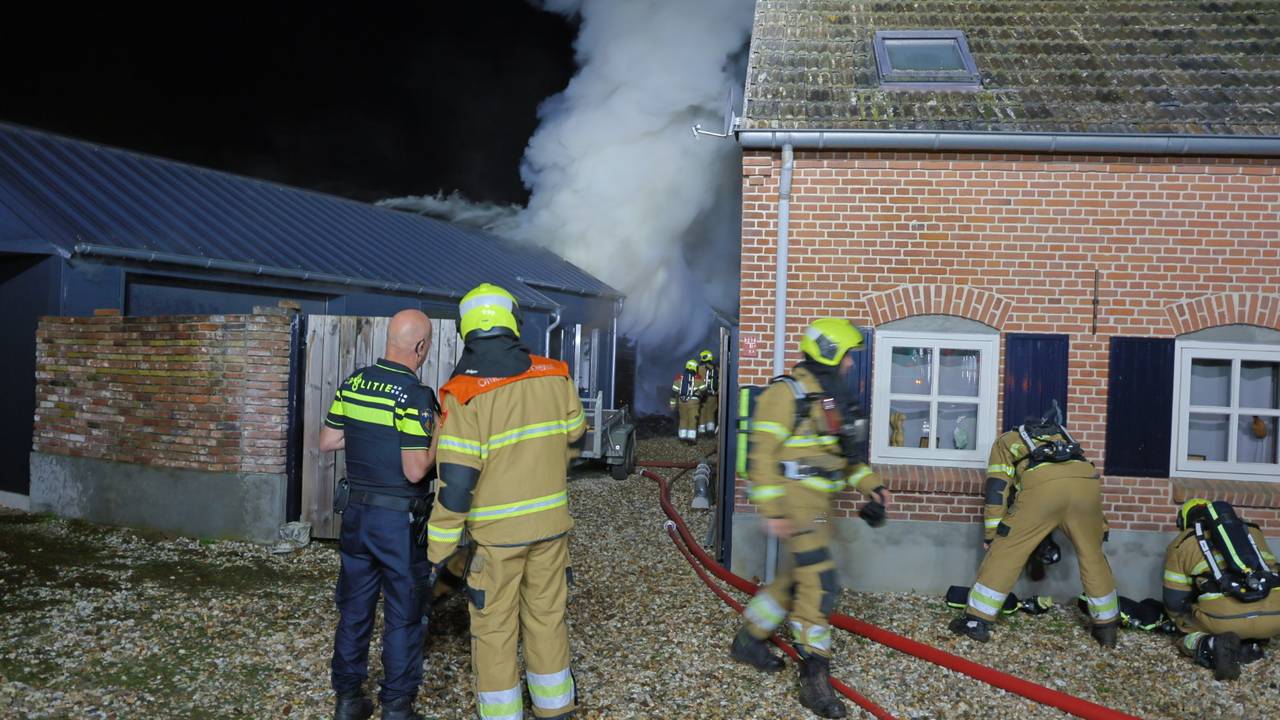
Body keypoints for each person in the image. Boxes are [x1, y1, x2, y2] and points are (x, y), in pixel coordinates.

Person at [425, 283, 585, 720]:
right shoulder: (555, 374)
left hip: (496, 540)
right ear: (513, 322)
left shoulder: (464, 395)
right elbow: (575, 434)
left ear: (467, 331)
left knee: (495, 629)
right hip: (552, 528)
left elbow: (455, 486)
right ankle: (556, 708)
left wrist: (437, 552)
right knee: (547, 617)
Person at [732, 318, 890, 720]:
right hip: (794, 506)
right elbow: (760, 458)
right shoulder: (785, 395)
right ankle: (814, 679)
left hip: (820, 509)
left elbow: (842, 459)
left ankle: (750, 639)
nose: (852, 364)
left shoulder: (831, 400)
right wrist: (772, 511)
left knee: (794, 579)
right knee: (820, 585)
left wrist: (871, 484)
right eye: (849, 356)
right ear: (830, 354)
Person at [320, 309, 438, 720]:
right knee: (404, 615)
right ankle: (396, 707)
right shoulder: (415, 395)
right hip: (398, 525)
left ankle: (348, 700)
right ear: (420, 347)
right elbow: (414, 469)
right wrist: (440, 431)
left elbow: (329, 439)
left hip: (356, 518)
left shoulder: (354, 383)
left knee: (354, 609)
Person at [949, 406, 1118, 646]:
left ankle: (976, 621)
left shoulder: (1006, 442)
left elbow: (997, 489)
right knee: (1093, 556)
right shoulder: (1063, 436)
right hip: (1086, 486)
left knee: (1006, 552)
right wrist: (1100, 529)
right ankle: (1107, 628)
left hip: (1043, 488)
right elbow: (1081, 480)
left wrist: (993, 534)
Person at [1163, 498, 1280, 680]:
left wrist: (1179, 620)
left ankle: (1210, 644)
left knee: (1184, 631)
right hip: (1275, 617)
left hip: (1224, 619)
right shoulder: (1252, 532)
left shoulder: (1182, 543)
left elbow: (1174, 599)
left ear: (1184, 521)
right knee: (1252, 620)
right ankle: (1249, 646)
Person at [670, 359, 704, 443]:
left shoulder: (678, 379)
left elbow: (673, 393)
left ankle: (682, 438)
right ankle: (691, 439)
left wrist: (672, 405)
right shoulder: (698, 379)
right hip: (693, 404)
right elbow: (704, 390)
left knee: (683, 419)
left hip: (682, 403)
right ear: (695, 368)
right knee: (692, 420)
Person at [697, 349, 719, 437]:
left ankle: (702, 431)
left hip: (702, 395)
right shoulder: (716, 368)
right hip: (713, 395)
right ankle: (710, 430)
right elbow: (720, 381)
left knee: (702, 412)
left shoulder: (699, 368)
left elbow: (696, 381)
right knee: (711, 412)